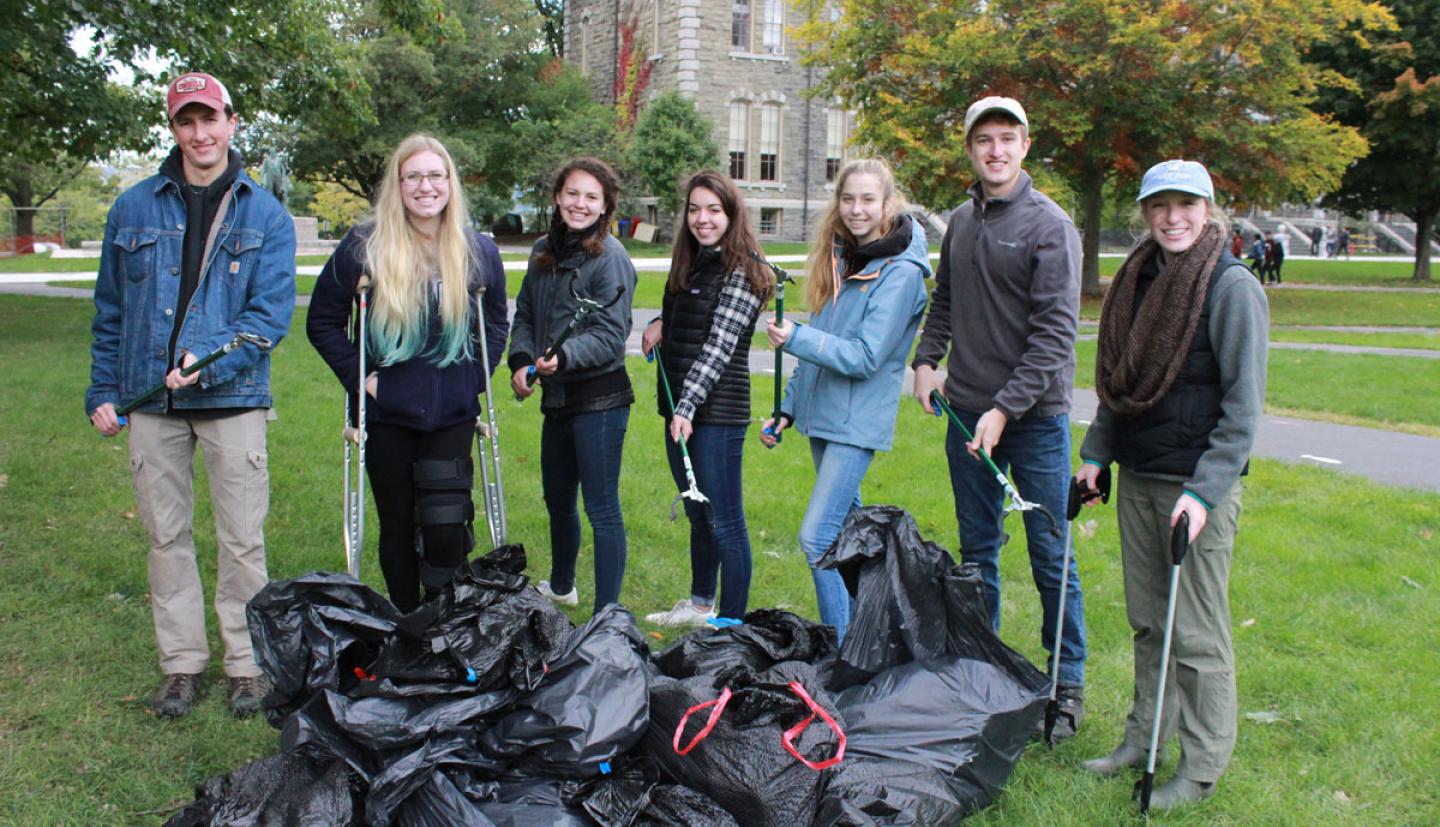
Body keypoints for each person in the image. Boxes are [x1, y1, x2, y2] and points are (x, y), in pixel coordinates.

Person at [86, 72, 296, 718]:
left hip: (232, 402)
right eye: (186, 121)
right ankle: (180, 664)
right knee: (165, 536)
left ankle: (246, 666)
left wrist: (203, 360)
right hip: (152, 405)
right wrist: (103, 388)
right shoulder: (132, 207)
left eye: (210, 119)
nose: (199, 133)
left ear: (234, 122)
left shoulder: (265, 213)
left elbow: (268, 318)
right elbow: (110, 310)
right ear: (173, 129)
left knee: (241, 540)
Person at [1076, 159, 1267, 810]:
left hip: (1198, 491)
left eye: (1187, 204)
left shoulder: (1230, 285)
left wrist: (1205, 491)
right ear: (1146, 212)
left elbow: (1243, 413)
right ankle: (1144, 738)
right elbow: (1122, 385)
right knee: (1148, 622)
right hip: (1140, 478)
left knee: (1197, 632)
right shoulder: (1137, 279)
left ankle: (1203, 763)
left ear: (1208, 209)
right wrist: (1096, 454)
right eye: (1160, 205)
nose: (1173, 217)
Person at [911, 96, 1087, 738]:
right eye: (983, 139)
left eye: (1007, 138)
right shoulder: (961, 220)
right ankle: (982, 675)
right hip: (967, 416)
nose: (996, 150)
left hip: (1034, 420)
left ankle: (1065, 686)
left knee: (1050, 556)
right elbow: (947, 300)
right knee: (978, 552)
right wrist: (927, 361)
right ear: (970, 148)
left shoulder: (1049, 226)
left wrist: (1006, 410)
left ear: (1025, 145)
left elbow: (1054, 337)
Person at [307, 134, 508, 613]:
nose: (425, 186)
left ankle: (443, 622)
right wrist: (365, 381)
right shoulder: (364, 247)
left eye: (435, 176)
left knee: (445, 523)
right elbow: (322, 321)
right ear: (397, 185)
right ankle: (405, 623)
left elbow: (496, 320)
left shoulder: (478, 251)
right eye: (413, 176)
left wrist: (477, 377)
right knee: (396, 523)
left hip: (452, 411)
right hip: (388, 412)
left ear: (450, 183)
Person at [762, 158, 930, 643]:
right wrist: (788, 407)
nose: (857, 209)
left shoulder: (900, 273)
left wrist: (794, 338)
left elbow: (864, 357)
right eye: (848, 198)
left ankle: (839, 649)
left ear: (888, 204)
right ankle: (873, 632)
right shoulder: (845, 258)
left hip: (856, 423)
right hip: (824, 415)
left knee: (818, 537)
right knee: (850, 537)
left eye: (868, 199)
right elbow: (824, 336)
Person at [640, 171, 773, 627]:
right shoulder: (693, 261)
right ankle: (700, 606)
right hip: (681, 408)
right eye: (694, 209)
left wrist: (686, 406)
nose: (702, 219)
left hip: (714, 414)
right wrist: (662, 321)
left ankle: (730, 625)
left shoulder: (747, 269)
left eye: (713, 209)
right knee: (698, 511)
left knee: (726, 522)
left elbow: (718, 344)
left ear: (732, 213)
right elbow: (694, 316)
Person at [509, 158, 637, 613]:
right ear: (557, 197)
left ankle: (607, 617)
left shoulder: (611, 259)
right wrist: (522, 361)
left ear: (605, 207)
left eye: (591, 197)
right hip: (557, 398)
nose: (579, 204)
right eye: (572, 193)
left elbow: (609, 335)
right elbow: (525, 313)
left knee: (601, 508)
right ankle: (562, 586)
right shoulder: (544, 250)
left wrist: (562, 356)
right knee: (558, 500)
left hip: (600, 398)